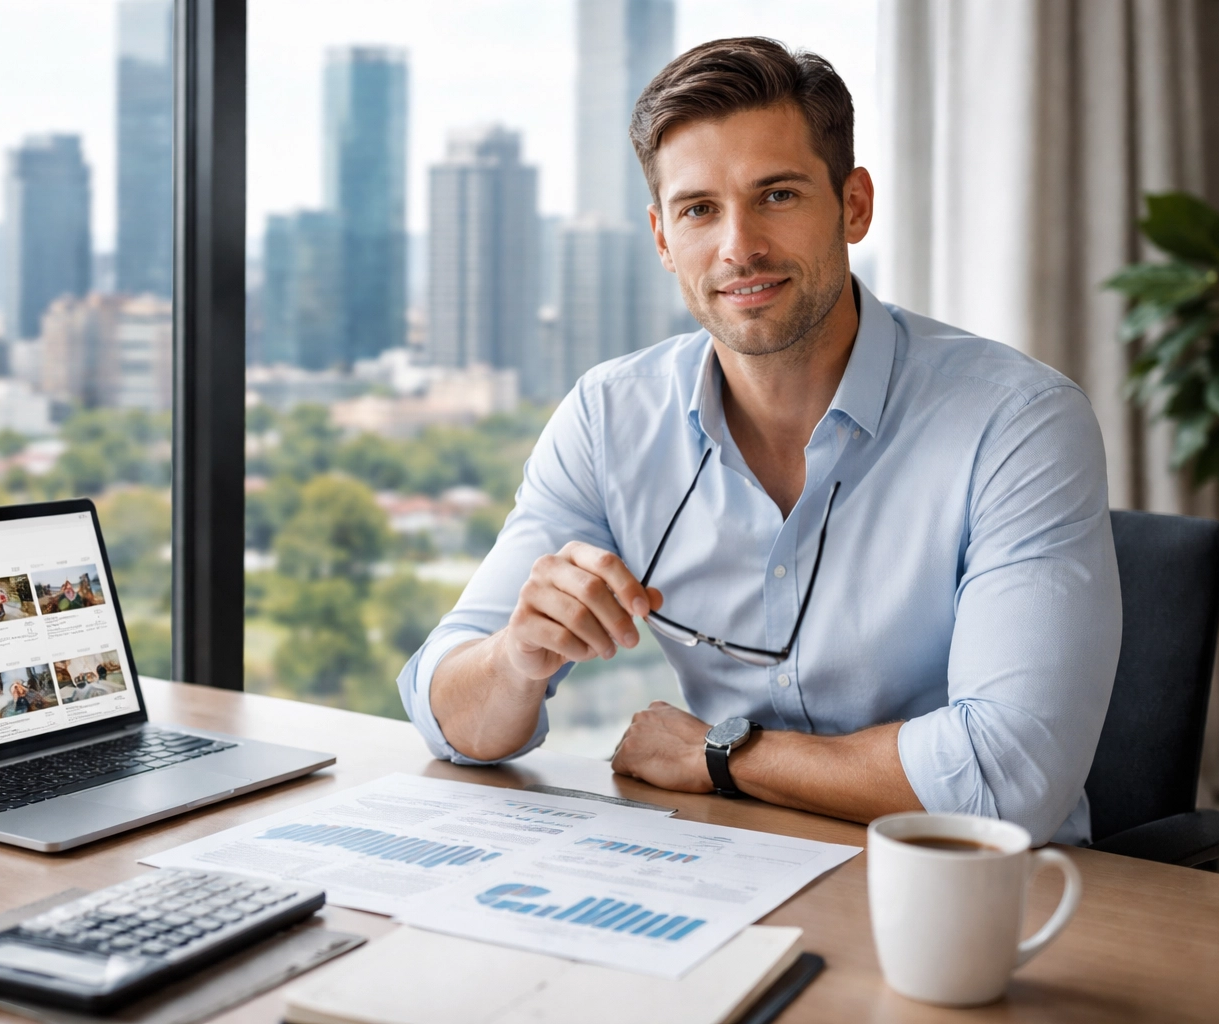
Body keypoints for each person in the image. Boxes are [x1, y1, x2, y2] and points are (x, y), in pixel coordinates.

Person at [398, 38, 1122, 847]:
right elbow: (444, 712)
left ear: (854, 205)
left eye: (776, 195)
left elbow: (1008, 779)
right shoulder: (610, 418)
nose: (738, 246)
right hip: (727, 869)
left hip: (969, 887)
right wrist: (515, 659)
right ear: (662, 237)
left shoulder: (1018, 423)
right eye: (698, 209)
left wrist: (722, 755)